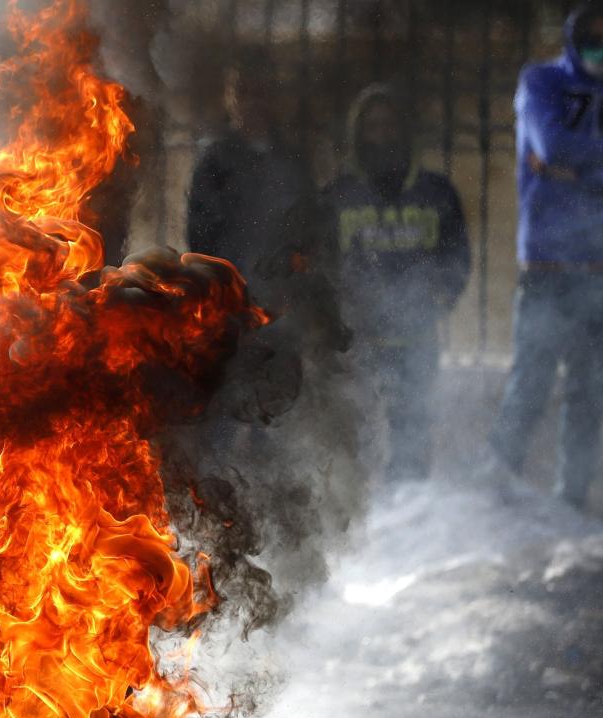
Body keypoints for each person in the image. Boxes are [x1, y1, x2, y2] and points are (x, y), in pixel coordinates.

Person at [488, 1, 603, 509]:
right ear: (574, 33)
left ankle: (571, 504)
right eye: (594, 34)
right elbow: (551, 144)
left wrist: (584, 174)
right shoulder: (541, 83)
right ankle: (495, 494)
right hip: (546, 262)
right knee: (530, 384)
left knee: (589, 395)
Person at [323, 83, 470, 482]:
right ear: (359, 134)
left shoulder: (436, 193)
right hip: (358, 344)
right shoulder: (339, 196)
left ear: (404, 132)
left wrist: (436, 301)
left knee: (413, 434)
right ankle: (366, 530)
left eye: (390, 125)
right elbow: (318, 266)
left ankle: (409, 521)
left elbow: (457, 258)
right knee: (359, 440)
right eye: (372, 126)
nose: (382, 135)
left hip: (417, 342)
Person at [185, 61, 325, 298]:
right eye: (243, 92)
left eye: (260, 92)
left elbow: (309, 225)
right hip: (233, 294)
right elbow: (201, 235)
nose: (252, 102)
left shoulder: (292, 160)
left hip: (285, 294)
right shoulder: (214, 163)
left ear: (272, 98)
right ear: (229, 99)